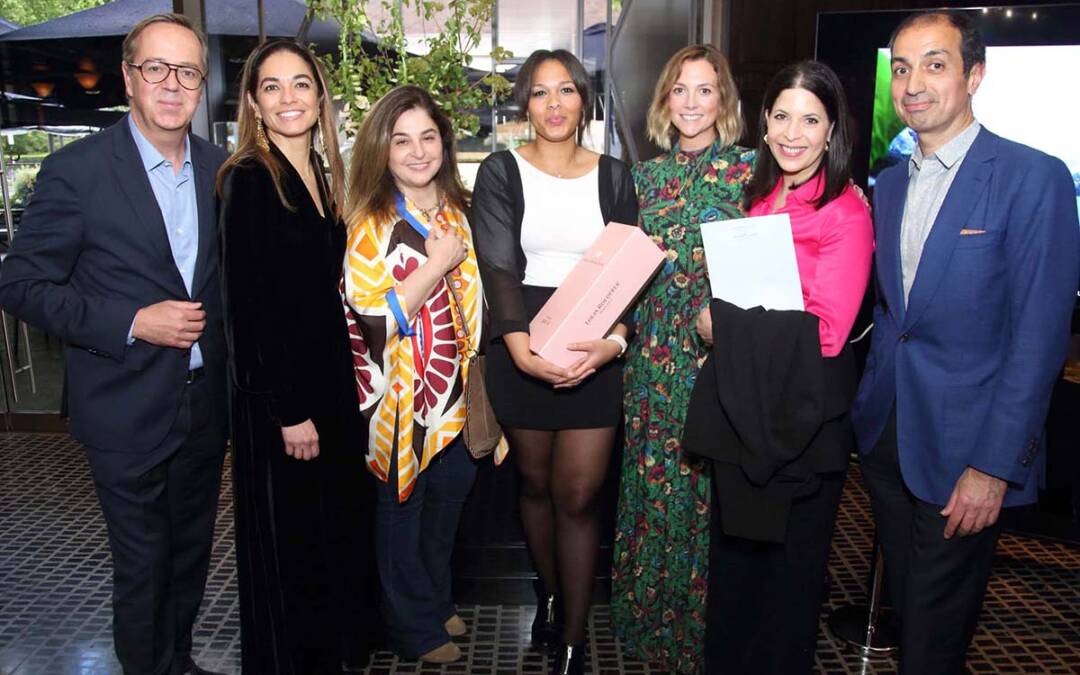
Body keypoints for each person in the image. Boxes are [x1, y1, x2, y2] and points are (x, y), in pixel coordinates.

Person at [851, 10, 1080, 674]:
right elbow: (896, 314)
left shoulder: (1032, 176)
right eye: (901, 68)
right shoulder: (891, 182)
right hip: (887, 437)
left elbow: (1039, 340)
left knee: (935, 638)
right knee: (912, 612)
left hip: (966, 453)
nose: (913, 84)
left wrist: (994, 466)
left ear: (974, 75)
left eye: (935, 64)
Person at [0, 14, 227, 675]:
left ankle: (178, 661)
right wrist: (133, 320)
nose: (172, 84)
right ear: (128, 78)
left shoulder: (221, 171)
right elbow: (20, 284)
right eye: (156, 68)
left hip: (204, 406)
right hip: (123, 404)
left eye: (187, 72)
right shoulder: (76, 172)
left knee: (190, 555)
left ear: (201, 85)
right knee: (143, 564)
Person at [682, 60, 873, 674]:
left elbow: (829, 334)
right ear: (763, 123)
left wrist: (724, 326)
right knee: (737, 578)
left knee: (786, 590)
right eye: (782, 116)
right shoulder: (763, 197)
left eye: (810, 120)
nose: (793, 133)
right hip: (748, 411)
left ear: (832, 129)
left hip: (801, 420)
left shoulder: (845, 212)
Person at [471, 49, 638, 675]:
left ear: (584, 100)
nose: (554, 104)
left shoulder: (615, 176)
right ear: (525, 104)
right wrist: (521, 351)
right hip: (522, 337)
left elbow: (628, 271)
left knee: (579, 495)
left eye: (566, 89)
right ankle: (547, 591)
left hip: (595, 342)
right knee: (535, 486)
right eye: (540, 92)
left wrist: (613, 342)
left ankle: (572, 638)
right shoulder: (501, 170)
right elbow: (498, 267)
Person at [218, 39, 379, 674]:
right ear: (254, 104)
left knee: (327, 539)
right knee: (294, 552)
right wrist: (289, 411)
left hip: (329, 387)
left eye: (301, 84)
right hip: (284, 400)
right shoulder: (249, 179)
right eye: (272, 86)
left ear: (319, 98)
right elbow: (248, 308)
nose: (288, 98)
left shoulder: (320, 171)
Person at [343, 84, 505, 665]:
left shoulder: (459, 210)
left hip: (460, 393)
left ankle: (434, 601)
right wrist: (436, 264)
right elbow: (371, 321)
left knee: (448, 502)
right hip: (398, 399)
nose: (417, 152)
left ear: (444, 142)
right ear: (381, 150)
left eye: (428, 137)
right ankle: (410, 626)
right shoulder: (370, 223)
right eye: (401, 140)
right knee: (402, 508)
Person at [608, 44, 753, 675]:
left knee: (704, 492)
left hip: (714, 357)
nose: (692, 102)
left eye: (705, 89)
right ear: (665, 100)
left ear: (724, 101)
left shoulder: (752, 170)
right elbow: (617, 271)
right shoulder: (640, 180)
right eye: (680, 90)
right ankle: (645, 624)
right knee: (650, 485)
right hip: (649, 357)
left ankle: (701, 633)